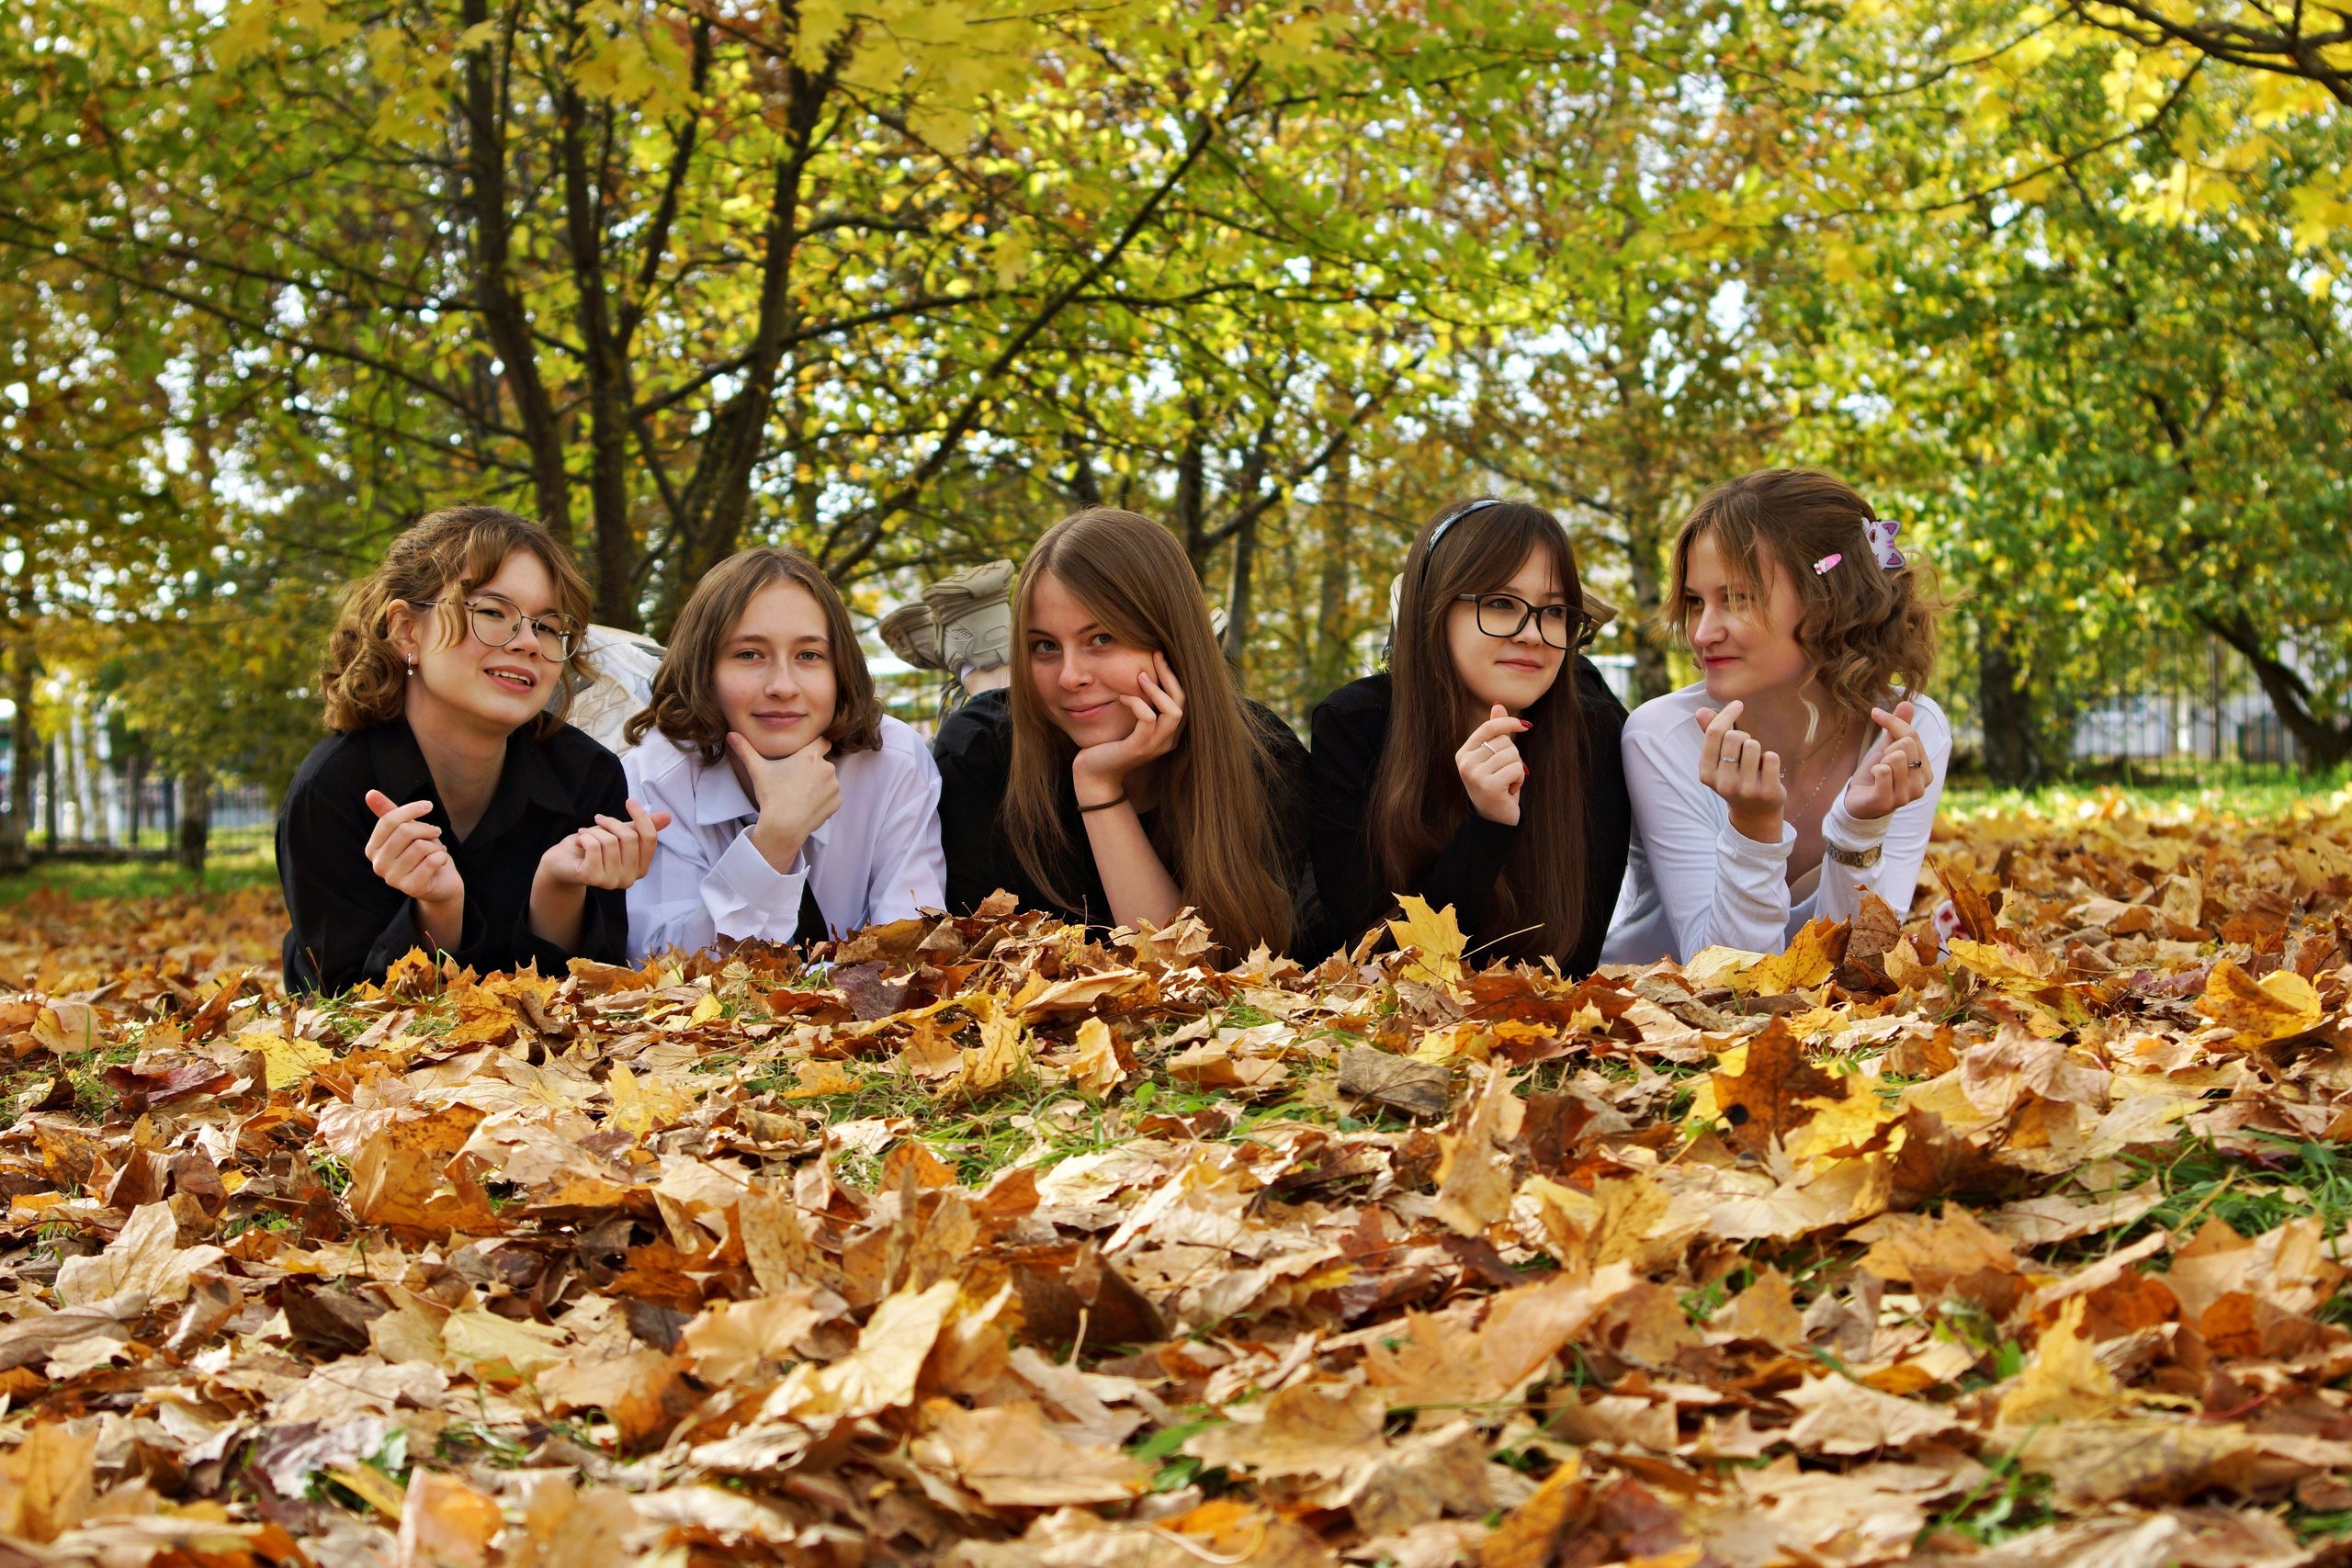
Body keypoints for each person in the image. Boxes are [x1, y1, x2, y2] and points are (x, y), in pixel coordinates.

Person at [278, 505, 667, 993]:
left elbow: (588, 1000)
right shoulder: (335, 788)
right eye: (491, 613)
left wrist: (558, 888)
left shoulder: (587, 775)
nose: (527, 641)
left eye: (547, 626)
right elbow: (345, 1012)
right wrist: (436, 911)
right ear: (406, 630)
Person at [1602, 469, 1950, 964]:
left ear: (1827, 603)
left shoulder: (1905, 732)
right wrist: (1752, 830)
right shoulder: (1663, 737)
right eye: (1696, 602)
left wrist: (1861, 831)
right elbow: (1725, 980)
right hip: (1648, 1026)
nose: (1701, 633)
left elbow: (1861, 969)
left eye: (1737, 599)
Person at [933, 508, 1308, 955]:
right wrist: (1097, 781)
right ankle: (984, 670)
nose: (1071, 675)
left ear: (1171, 640)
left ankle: (982, 663)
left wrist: (1098, 786)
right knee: (995, 706)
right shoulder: (981, 753)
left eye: (1102, 638)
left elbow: (1185, 979)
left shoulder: (1263, 754)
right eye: (1045, 646)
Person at [1308, 499, 1633, 970]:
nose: (1533, 634)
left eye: (1556, 611)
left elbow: (1572, 965)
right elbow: (1370, 968)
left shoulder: (1594, 734)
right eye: (1500, 604)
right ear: (1433, 611)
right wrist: (1486, 828)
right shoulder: (1356, 726)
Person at [622, 547, 944, 959]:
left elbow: (913, 951)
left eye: (808, 655)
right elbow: (667, 972)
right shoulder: (656, 777)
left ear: (839, 669)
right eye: (749, 654)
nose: (783, 686)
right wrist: (774, 843)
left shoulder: (892, 761)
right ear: (704, 671)